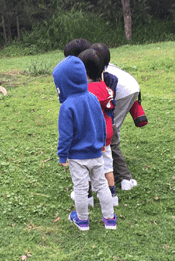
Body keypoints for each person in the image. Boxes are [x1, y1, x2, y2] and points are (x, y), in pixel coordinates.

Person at [53, 55, 117, 231]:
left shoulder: (66, 106)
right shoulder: (93, 99)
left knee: (80, 189)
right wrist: (103, 141)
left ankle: (82, 221)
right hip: (96, 154)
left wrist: (62, 154)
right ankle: (110, 219)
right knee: (101, 185)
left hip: (77, 158)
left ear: (64, 84)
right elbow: (101, 122)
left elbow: (65, 135)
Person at [91, 42, 148, 191]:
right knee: (110, 131)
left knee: (110, 134)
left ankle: (124, 179)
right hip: (131, 87)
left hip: (124, 93)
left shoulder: (99, 72)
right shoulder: (101, 65)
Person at [77, 48, 119, 206]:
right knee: (108, 166)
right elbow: (110, 107)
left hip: (88, 136)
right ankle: (112, 196)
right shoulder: (106, 89)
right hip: (105, 135)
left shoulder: (83, 91)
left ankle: (88, 198)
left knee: (85, 167)